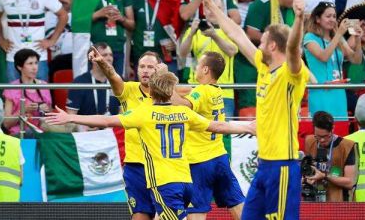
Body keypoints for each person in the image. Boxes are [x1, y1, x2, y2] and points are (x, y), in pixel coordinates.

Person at [45, 70, 254, 220]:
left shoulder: (144, 114)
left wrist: (71, 118)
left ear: (151, 93)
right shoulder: (185, 113)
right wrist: (248, 127)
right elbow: (217, 126)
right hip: (186, 179)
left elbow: (106, 120)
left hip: (164, 182)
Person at [201, 0, 309, 219]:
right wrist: (211, 7)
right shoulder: (263, 66)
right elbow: (238, 35)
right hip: (263, 165)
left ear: (272, 46)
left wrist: (299, 18)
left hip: (283, 166)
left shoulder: (291, 73)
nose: (258, 45)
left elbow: (292, 49)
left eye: (262, 42)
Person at [80, 48, 161, 219]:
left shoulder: (169, 95)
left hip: (162, 165)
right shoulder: (128, 90)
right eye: (142, 66)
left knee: (164, 216)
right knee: (139, 215)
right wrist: (102, 62)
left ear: (159, 69)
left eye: (150, 67)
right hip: (135, 165)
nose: (145, 71)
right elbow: (113, 76)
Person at [171, 51, 245, 219]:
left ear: (205, 70)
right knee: (237, 204)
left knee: (196, 211)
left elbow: (184, 104)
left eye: (197, 65)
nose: (195, 68)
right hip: (219, 158)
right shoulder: (216, 90)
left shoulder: (202, 91)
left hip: (199, 162)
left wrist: (162, 85)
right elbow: (188, 91)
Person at [0, 0, 68, 82]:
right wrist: (1, 39)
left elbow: (63, 15)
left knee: (41, 96)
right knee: (14, 96)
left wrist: (52, 40)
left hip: (38, 57)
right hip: (14, 56)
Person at [238, 0, 301, 114]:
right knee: (252, 105)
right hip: (251, 64)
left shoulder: (291, 9)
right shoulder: (263, 4)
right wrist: (279, 41)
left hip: (275, 64)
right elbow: (251, 33)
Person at [179, 0, 238, 118]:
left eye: (218, 8)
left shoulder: (229, 29)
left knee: (223, 133)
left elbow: (232, 51)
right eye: (210, 8)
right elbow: (182, 53)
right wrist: (191, 34)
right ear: (204, 10)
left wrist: (214, 35)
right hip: (197, 90)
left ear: (223, 10)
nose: (213, 11)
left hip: (223, 91)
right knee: (195, 131)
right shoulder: (195, 30)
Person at [303, 1, 362, 122]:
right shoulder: (309, 37)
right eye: (328, 16)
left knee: (340, 132)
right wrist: (339, 33)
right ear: (318, 19)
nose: (332, 19)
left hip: (339, 93)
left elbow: (356, 60)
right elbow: (323, 57)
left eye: (334, 16)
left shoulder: (338, 38)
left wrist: (358, 40)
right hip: (320, 92)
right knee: (322, 132)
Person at [88, 0, 135, 76]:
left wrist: (121, 18)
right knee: (96, 88)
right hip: (95, 49)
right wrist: (99, 13)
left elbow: (132, 24)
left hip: (118, 49)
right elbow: (78, 21)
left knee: (117, 91)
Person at [131, 0, 179, 74]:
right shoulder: (135, 1)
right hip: (140, 60)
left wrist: (177, 43)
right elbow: (128, 33)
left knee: (167, 91)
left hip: (165, 60)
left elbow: (183, 27)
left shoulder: (172, 1)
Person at [303, 111, 356, 202]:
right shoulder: (310, 141)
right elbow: (307, 170)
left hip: (338, 203)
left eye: (326, 136)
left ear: (333, 129)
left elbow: (350, 182)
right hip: (314, 201)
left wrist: (324, 176)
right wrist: (307, 178)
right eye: (318, 137)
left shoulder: (346, 146)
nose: (322, 140)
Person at [3, 48, 52, 138]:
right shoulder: (11, 88)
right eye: (30, 64)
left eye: (36, 63)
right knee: (30, 132)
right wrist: (23, 110)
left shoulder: (44, 86)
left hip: (41, 131)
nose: (34, 68)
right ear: (19, 67)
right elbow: (6, 124)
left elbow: (50, 114)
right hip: (19, 134)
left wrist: (44, 110)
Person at [66, 43, 119, 122]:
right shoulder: (79, 83)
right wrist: (84, 126)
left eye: (110, 55)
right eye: (104, 55)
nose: (109, 58)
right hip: (86, 131)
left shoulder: (118, 81)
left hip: (112, 130)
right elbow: (70, 115)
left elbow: (124, 112)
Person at [46, 0, 73, 80]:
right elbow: (54, 41)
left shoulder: (79, 16)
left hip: (81, 56)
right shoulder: (49, 16)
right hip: (59, 57)